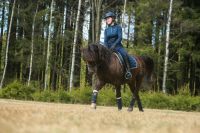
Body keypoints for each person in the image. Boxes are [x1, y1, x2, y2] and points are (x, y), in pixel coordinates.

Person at [103, 11, 132, 79]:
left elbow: (120, 38)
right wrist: (106, 48)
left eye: (108, 18)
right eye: (106, 19)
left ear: (113, 18)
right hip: (108, 47)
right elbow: (105, 40)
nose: (107, 20)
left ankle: (128, 71)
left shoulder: (118, 27)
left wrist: (114, 45)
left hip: (118, 46)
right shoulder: (106, 30)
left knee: (125, 54)